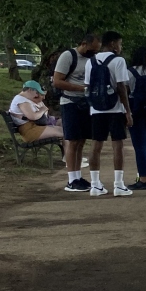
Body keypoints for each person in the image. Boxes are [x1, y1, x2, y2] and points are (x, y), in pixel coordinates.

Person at [85, 31, 135, 198]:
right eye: (120, 44)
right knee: (117, 145)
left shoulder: (91, 61)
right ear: (113, 44)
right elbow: (121, 87)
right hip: (115, 108)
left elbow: (88, 86)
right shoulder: (118, 61)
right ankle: (118, 184)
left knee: (96, 145)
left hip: (96, 109)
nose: (120, 47)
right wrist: (128, 111)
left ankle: (95, 184)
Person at [52, 32, 99, 192]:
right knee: (72, 140)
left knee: (81, 140)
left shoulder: (92, 58)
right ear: (84, 44)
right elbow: (57, 81)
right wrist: (80, 89)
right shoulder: (68, 56)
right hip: (70, 102)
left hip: (86, 103)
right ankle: (71, 179)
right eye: (92, 49)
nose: (94, 52)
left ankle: (78, 176)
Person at [126, 46, 146, 191]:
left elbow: (125, 91)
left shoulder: (129, 72)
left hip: (136, 110)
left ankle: (143, 179)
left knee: (141, 146)